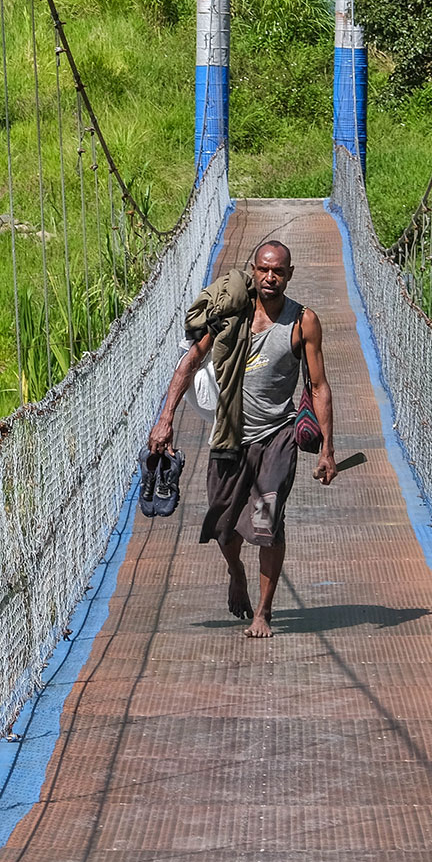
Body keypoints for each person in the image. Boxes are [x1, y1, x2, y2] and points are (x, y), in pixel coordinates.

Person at [149, 240, 336, 637]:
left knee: (268, 521)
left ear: (290, 274)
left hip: (277, 437)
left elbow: (318, 386)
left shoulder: (303, 322)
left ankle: (263, 613)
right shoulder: (231, 316)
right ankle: (236, 574)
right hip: (230, 435)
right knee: (223, 526)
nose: (271, 278)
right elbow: (190, 363)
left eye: (279, 271)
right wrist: (165, 419)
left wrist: (327, 450)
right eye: (264, 270)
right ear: (253, 271)